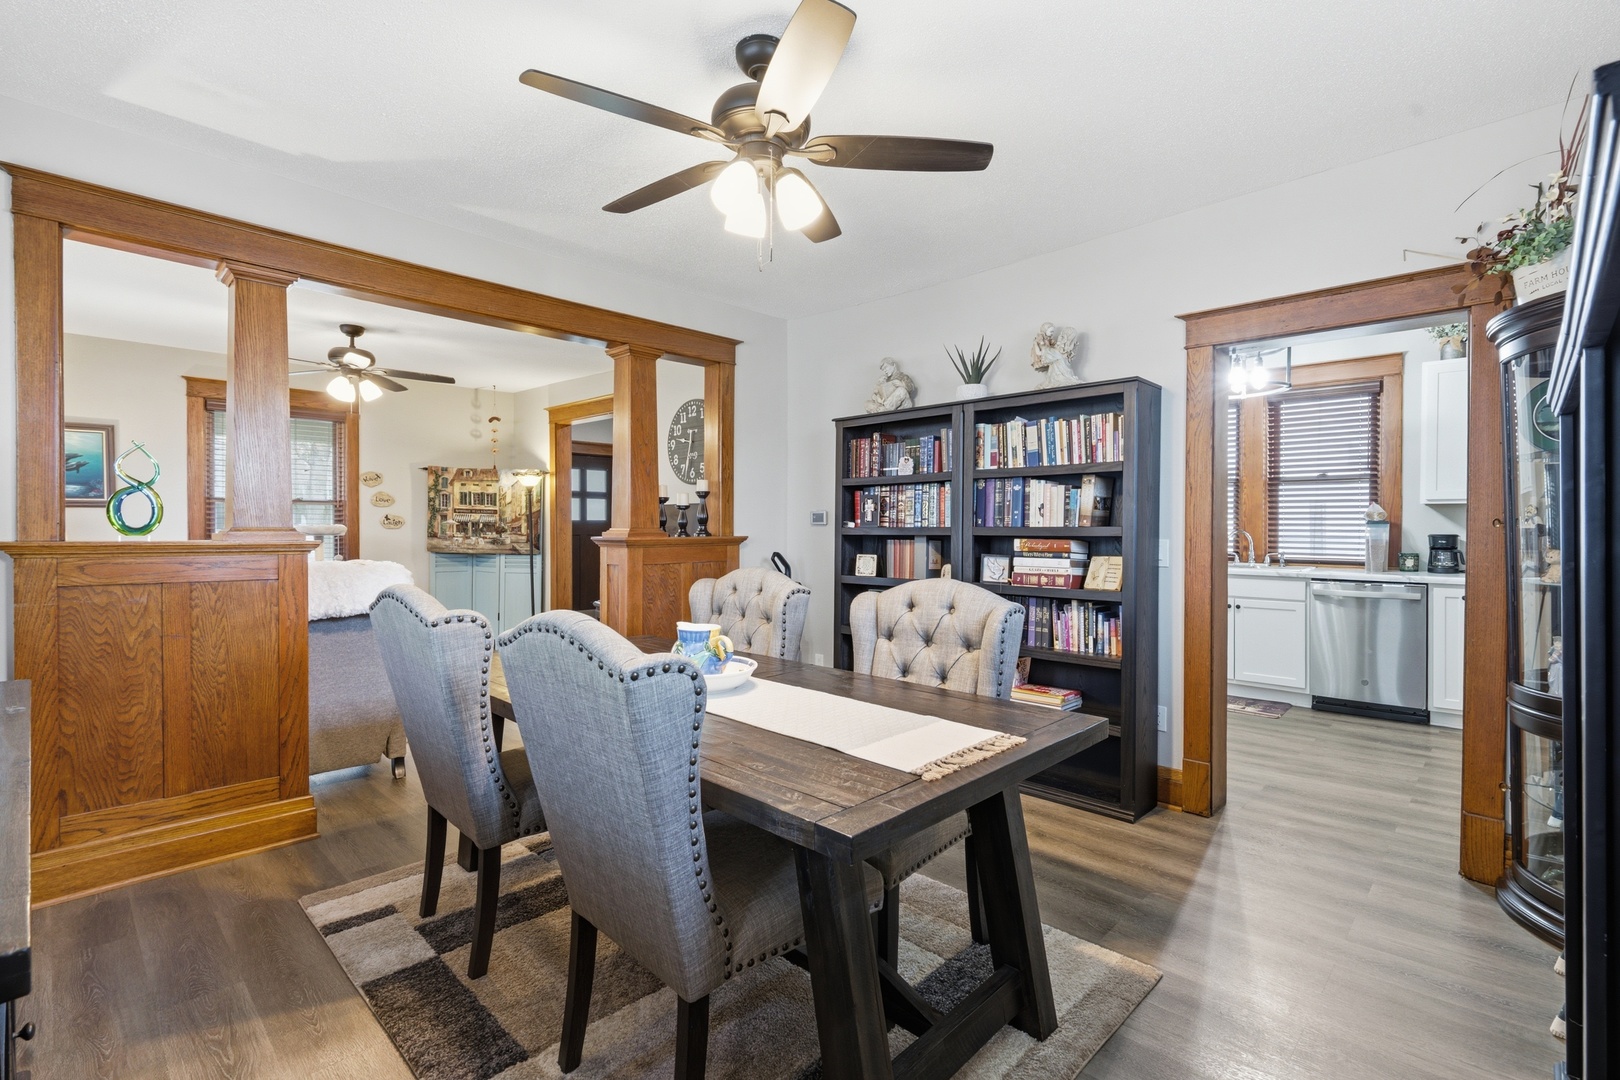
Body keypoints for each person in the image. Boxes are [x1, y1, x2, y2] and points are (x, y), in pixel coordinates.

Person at [1030, 322, 1081, 387]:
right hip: (1046, 352)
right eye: (1051, 331)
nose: (1052, 334)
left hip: (1056, 375)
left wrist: (1036, 344)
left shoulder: (1054, 348)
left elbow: (1042, 351)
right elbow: (1041, 351)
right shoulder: (1066, 354)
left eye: (1061, 336)